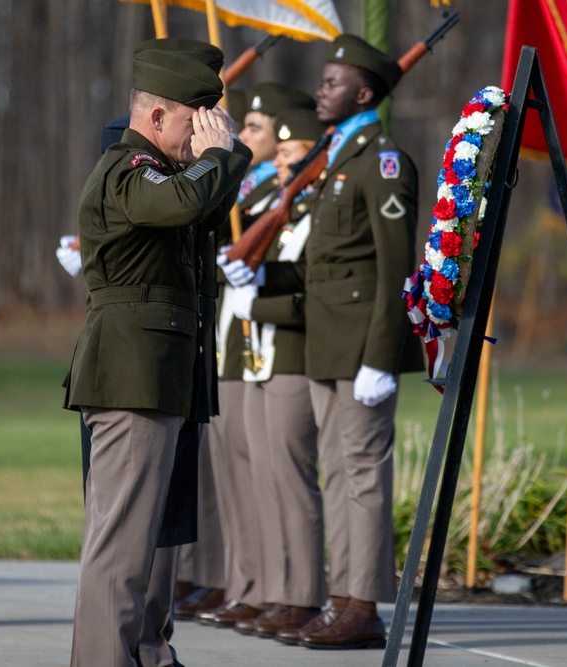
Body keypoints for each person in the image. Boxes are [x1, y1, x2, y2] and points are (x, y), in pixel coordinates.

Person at [62, 39, 251, 667]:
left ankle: (147, 654)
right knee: (120, 548)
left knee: (158, 540)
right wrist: (218, 154)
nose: (197, 136)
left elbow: (207, 204)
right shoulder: (126, 170)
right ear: (158, 117)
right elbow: (185, 202)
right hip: (130, 381)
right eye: (191, 120)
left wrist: (228, 152)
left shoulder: (170, 176)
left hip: (165, 379)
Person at [284, 34, 424, 649]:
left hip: (363, 346)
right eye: (323, 79)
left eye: (334, 82)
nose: (321, 89)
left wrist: (382, 357)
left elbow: (397, 268)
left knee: (362, 472)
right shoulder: (337, 158)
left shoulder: (382, 162)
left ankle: (363, 606)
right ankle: (342, 597)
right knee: (338, 473)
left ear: (364, 93)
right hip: (326, 343)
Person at [194, 82, 315, 630]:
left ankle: (285, 590)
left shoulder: (285, 200)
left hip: (273, 353)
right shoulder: (254, 199)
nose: (246, 137)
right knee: (242, 480)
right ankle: (252, 585)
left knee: (276, 479)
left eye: (255, 131)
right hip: (237, 351)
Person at [223, 107, 330, 639]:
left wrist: (255, 302)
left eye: (294, 153)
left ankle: (302, 594)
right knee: (265, 482)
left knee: (289, 482)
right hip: (262, 354)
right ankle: (274, 591)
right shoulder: (285, 208)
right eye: (282, 154)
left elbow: (311, 292)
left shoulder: (312, 210)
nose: (286, 163)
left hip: (292, 354)